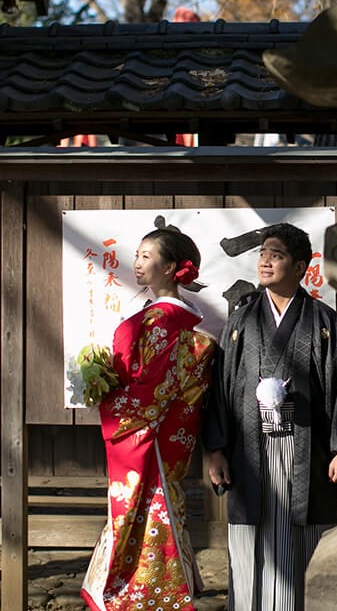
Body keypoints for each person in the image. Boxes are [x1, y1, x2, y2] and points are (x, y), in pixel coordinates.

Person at [201, 223, 337, 611]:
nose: (266, 261)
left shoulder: (324, 323)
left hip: (309, 454)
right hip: (248, 453)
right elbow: (220, 388)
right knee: (252, 549)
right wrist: (216, 449)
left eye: (277, 255)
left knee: (306, 546)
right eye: (263, 254)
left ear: (301, 266)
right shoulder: (241, 323)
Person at [81, 228, 215, 611]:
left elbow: (149, 394)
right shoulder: (184, 322)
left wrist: (108, 397)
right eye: (137, 255)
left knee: (147, 519)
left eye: (146, 256)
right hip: (167, 436)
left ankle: (142, 599)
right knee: (161, 514)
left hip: (148, 436)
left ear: (171, 267)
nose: (137, 263)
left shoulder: (161, 323)